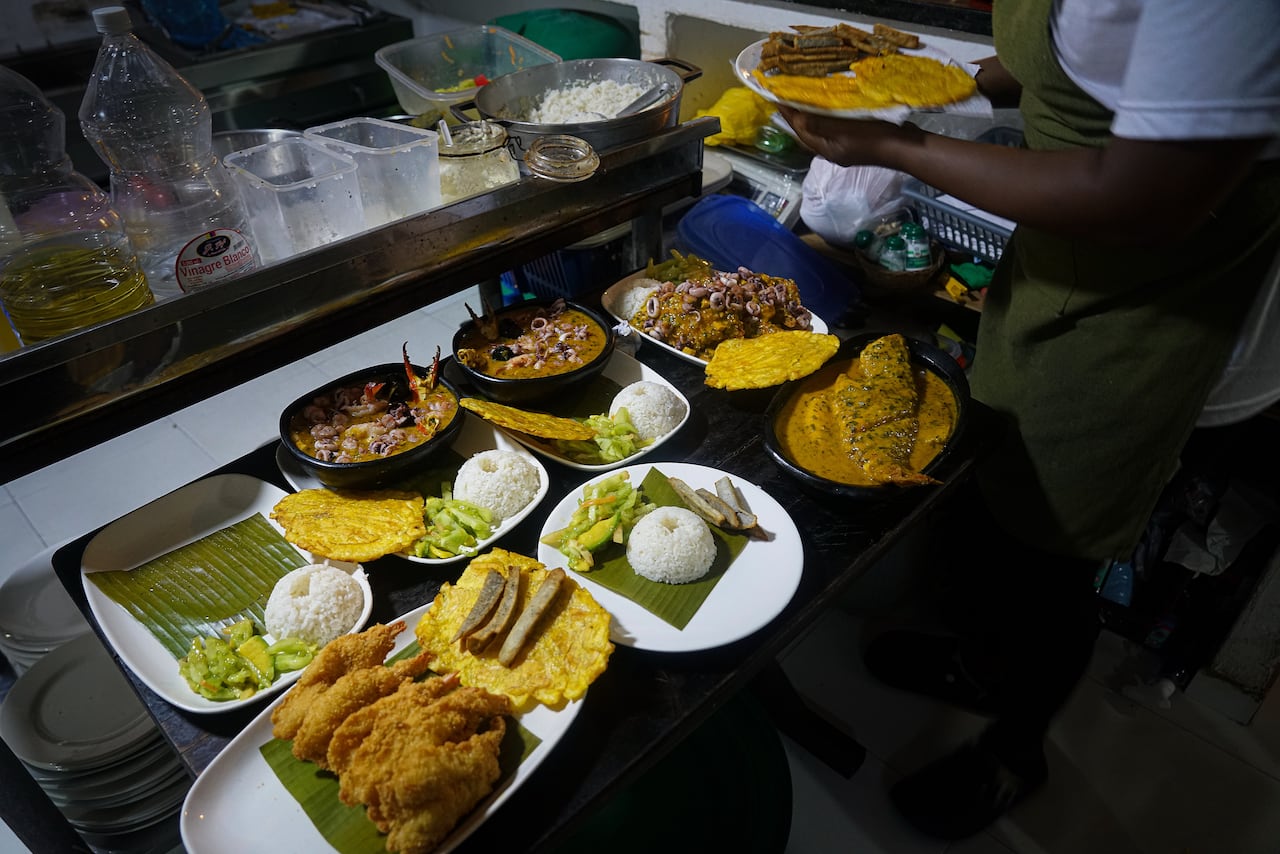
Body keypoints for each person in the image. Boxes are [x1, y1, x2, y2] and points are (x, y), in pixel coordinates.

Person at [777, 0, 1280, 841]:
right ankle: (982, 666)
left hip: (1151, 307)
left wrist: (896, 146)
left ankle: (1016, 750)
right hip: (1059, 268)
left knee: (1051, 550)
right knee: (989, 500)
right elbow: (1072, 47)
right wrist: (929, 92)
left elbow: (1144, 200)